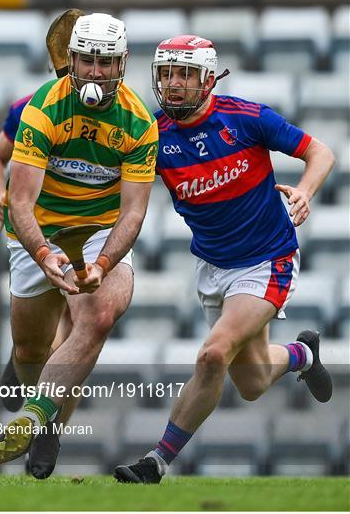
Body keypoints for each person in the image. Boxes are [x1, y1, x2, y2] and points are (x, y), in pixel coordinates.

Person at [113, 35, 335, 484]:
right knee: (252, 383)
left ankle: (156, 462)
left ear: (209, 78)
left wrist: (305, 192)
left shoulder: (246, 118)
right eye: (166, 73)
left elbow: (320, 152)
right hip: (213, 268)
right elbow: (119, 193)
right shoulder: (154, 136)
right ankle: (301, 355)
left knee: (213, 354)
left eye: (184, 74)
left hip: (267, 259)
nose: (173, 84)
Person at [0, 13, 159, 477]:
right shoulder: (42, 109)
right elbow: (20, 200)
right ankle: (40, 403)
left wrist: (105, 262)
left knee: (99, 314)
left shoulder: (140, 122)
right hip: (41, 229)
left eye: (106, 63)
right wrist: (43, 253)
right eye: (87, 61)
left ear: (122, 64)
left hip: (100, 227)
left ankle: (40, 417)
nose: (96, 72)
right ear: (71, 60)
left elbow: (134, 212)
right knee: (29, 349)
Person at [0, 9, 86, 479]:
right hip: (37, 228)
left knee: (76, 323)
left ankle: (46, 426)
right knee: (43, 336)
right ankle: (26, 365)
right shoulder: (29, 106)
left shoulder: (116, 109)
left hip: (86, 229)